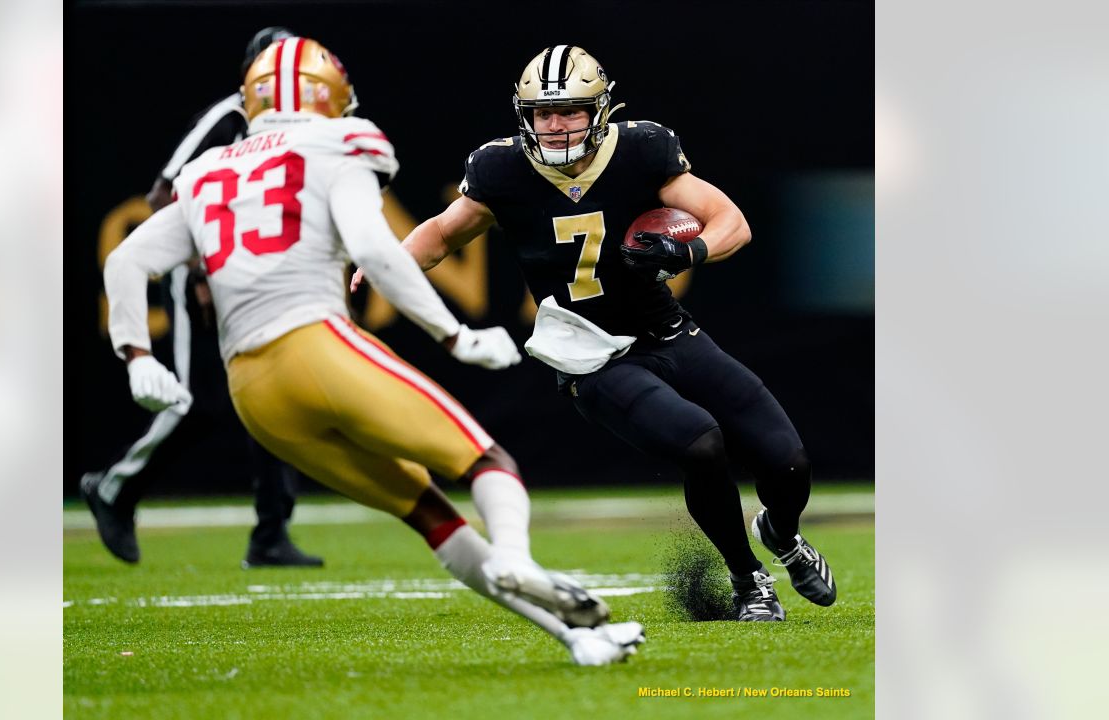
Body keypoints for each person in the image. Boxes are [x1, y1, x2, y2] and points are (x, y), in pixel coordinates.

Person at [102, 36, 646, 665]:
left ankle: (576, 638)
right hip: (315, 345)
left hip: (251, 391)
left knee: (431, 517)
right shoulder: (339, 141)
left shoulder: (204, 171)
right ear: (327, 93)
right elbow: (375, 247)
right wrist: (453, 335)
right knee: (486, 462)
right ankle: (518, 560)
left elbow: (125, 261)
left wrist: (137, 356)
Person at [353, 45, 837, 621]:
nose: (554, 126)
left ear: (601, 110)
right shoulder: (501, 169)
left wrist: (691, 250)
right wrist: (385, 267)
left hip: (666, 331)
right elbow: (440, 235)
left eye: (570, 111)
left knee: (788, 461)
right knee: (700, 442)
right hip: (589, 354)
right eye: (541, 113)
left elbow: (732, 220)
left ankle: (780, 534)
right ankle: (747, 578)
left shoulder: (641, 149)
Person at [81, 26, 324, 568]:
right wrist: (200, 268)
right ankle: (115, 487)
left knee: (272, 397)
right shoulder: (230, 118)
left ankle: (270, 532)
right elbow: (166, 190)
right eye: (273, 71)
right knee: (200, 400)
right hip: (201, 273)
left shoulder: (306, 127)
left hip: (256, 276)